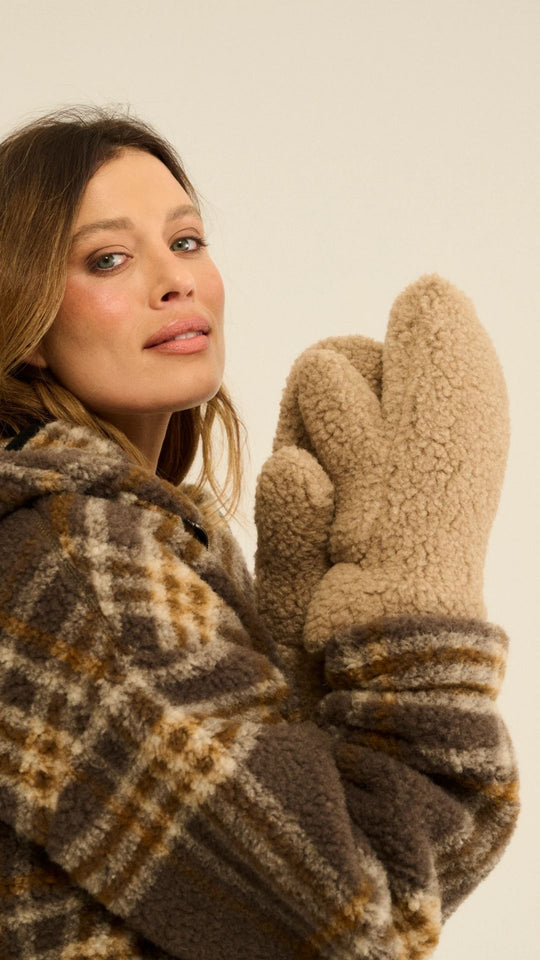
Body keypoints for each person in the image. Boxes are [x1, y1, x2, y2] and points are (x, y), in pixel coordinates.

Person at [0, 106, 519, 960]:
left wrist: (310, 689)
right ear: (26, 320)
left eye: (187, 241)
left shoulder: (119, 537)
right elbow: (361, 920)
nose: (175, 280)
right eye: (108, 258)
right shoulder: (76, 556)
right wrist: (419, 595)